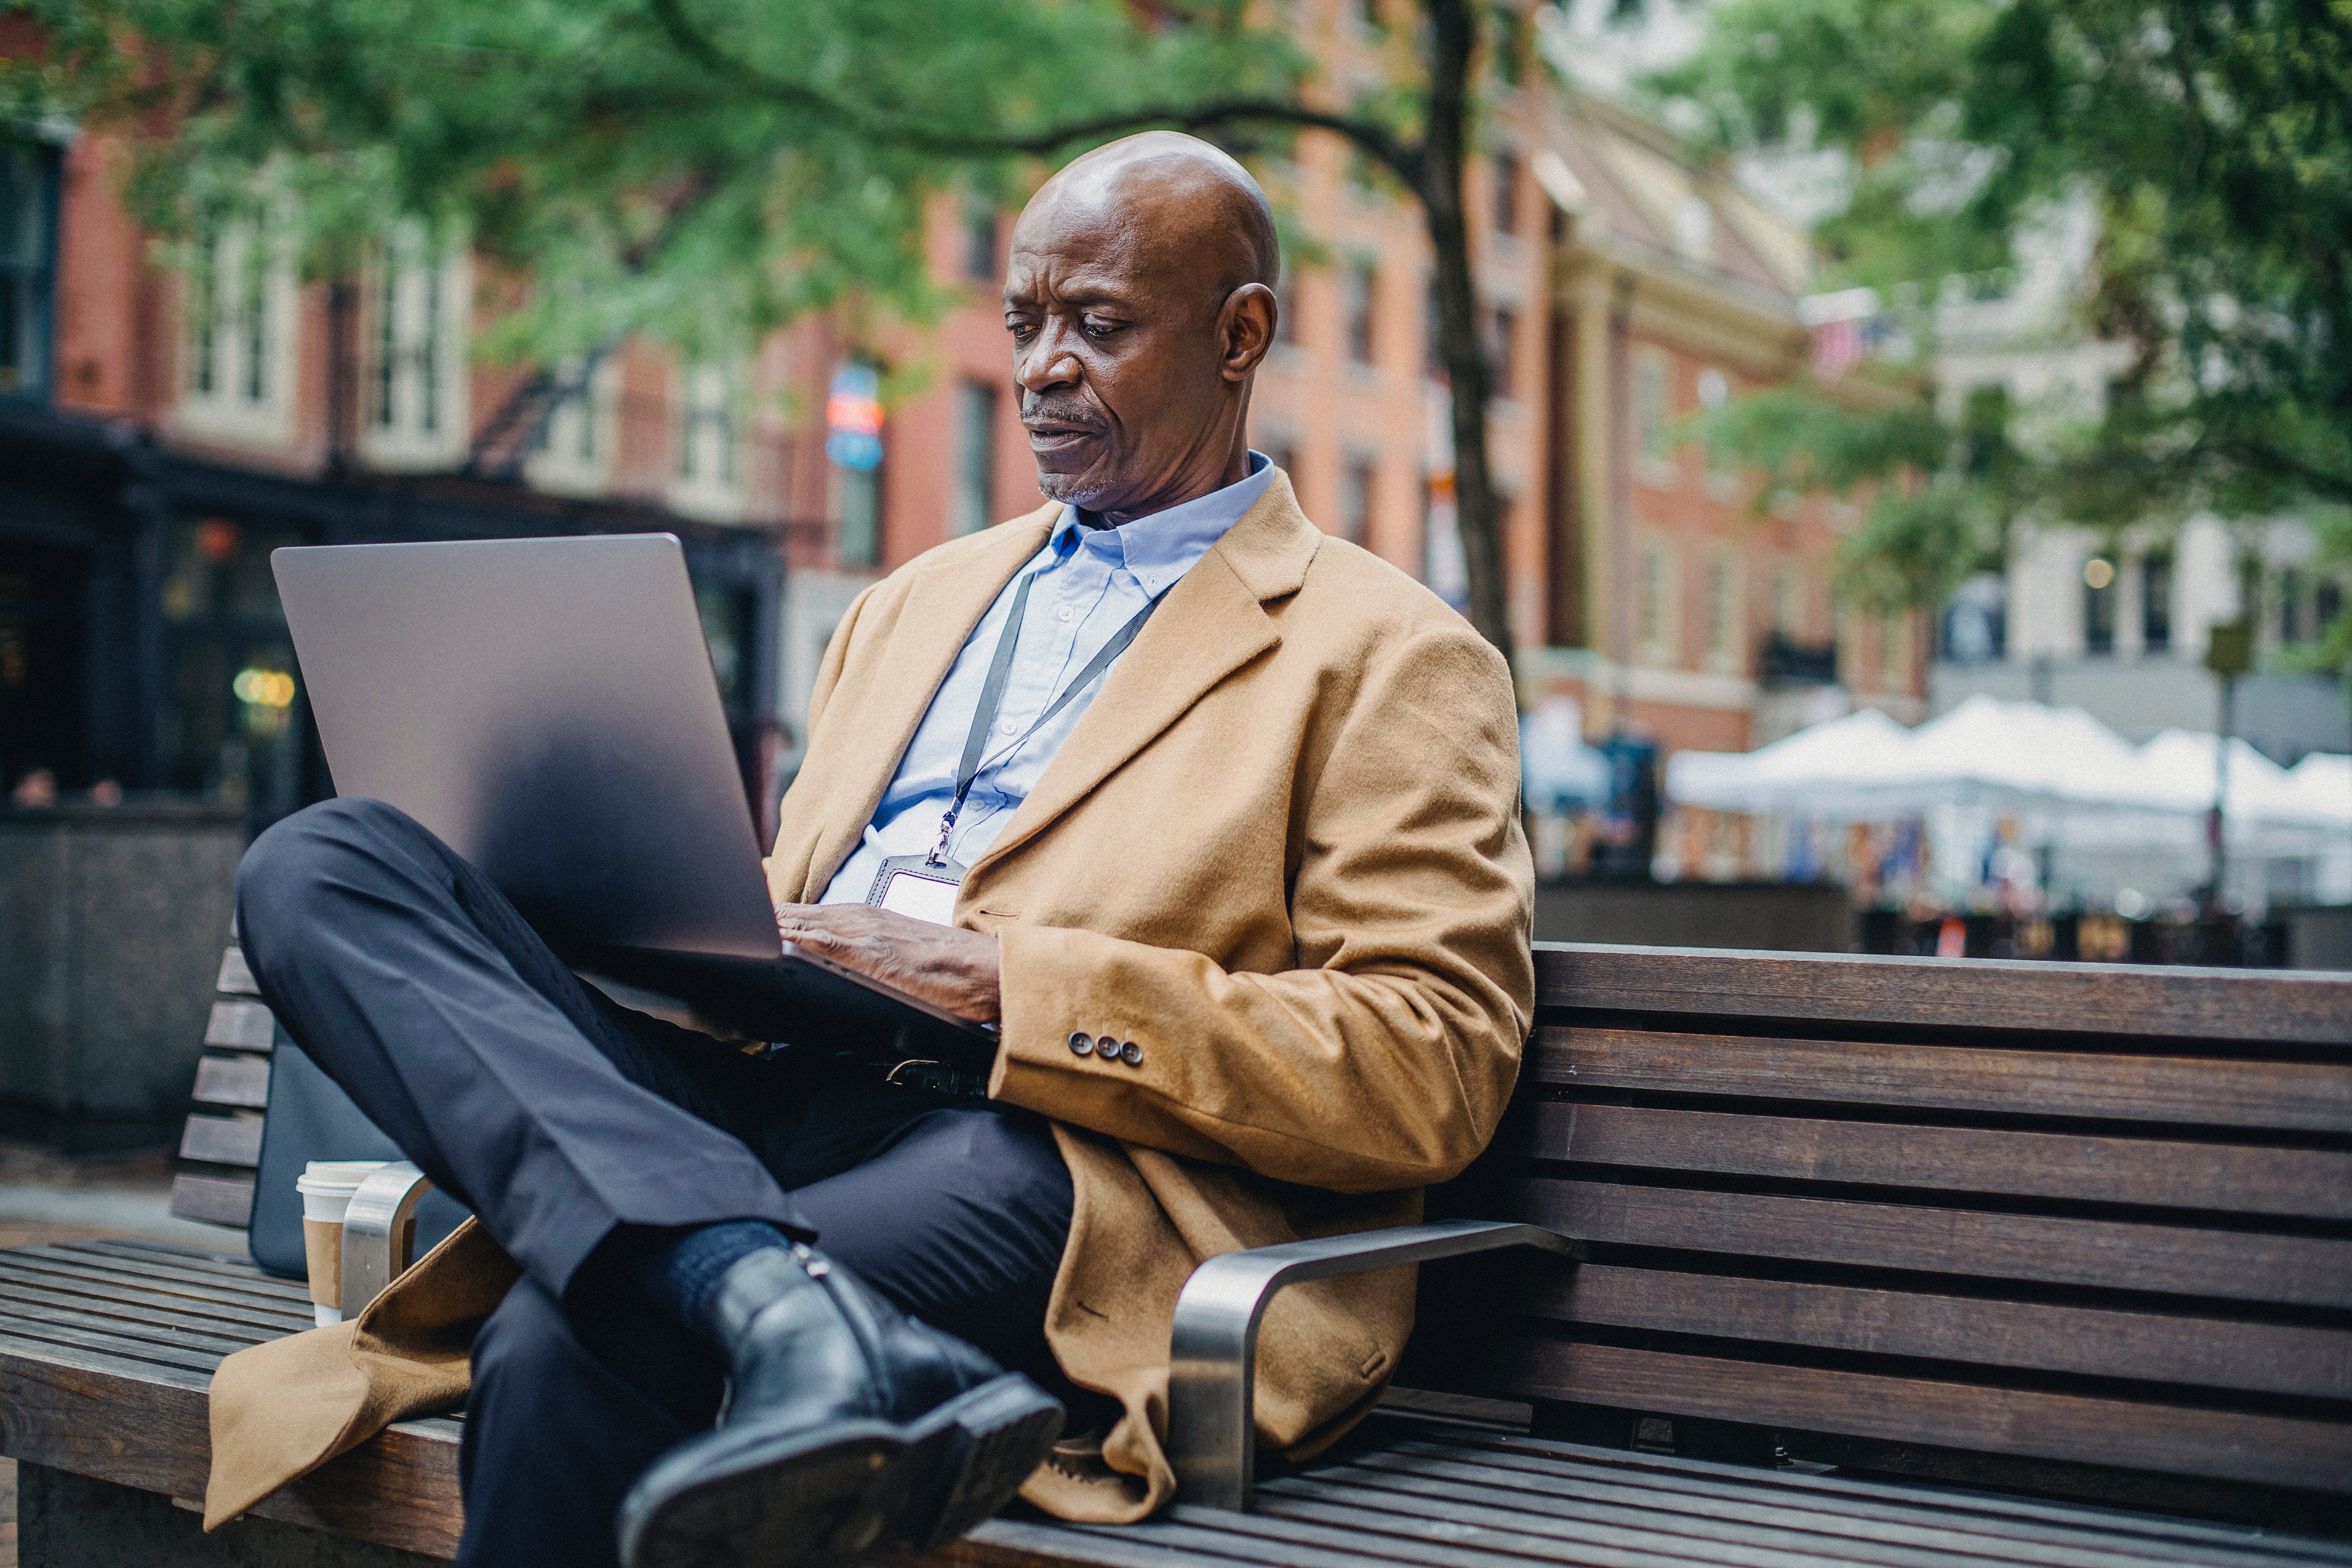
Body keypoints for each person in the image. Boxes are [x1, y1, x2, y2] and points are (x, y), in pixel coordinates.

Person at [222, 131, 1533, 1568]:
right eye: (1025, 323)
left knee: (563, 1341)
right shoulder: (908, 606)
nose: (1041, 368)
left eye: (1098, 327)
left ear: (1240, 338)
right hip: (769, 1079)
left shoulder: (1393, 655)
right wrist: (647, 914)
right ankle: (763, 1292)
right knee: (322, 863)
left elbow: (1432, 1062)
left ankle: (743, 1290)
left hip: (1051, 1150)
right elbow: (783, 909)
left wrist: (1003, 988)